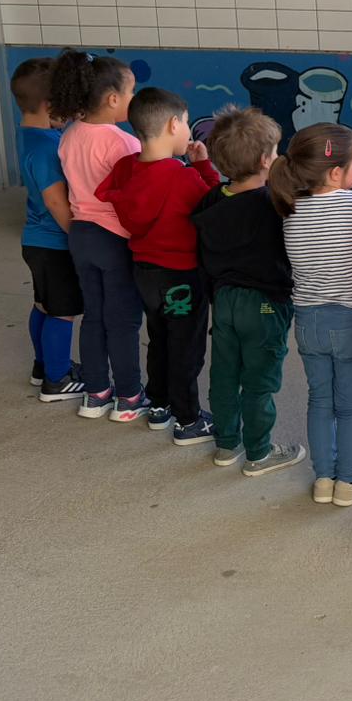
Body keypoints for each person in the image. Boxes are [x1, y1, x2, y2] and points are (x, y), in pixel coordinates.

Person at [97, 88, 222, 444]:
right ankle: (188, 419)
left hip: (145, 273)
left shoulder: (126, 168)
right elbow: (211, 205)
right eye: (185, 123)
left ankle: (159, 404)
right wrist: (202, 165)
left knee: (160, 338)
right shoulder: (182, 177)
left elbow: (114, 190)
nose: (187, 131)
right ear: (172, 124)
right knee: (186, 347)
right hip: (181, 276)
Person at [271, 124, 352, 507]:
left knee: (320, 400)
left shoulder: (291, 208)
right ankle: (348, 482)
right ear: (336, 173)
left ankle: (323, 479)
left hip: (309, 319)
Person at [192, 106, 305, 476]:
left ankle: (226, 445)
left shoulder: (213, 200)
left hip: (223, 301)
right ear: (263, 161)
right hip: (264, 305)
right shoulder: (273, 204)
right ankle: (259, 452)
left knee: (224, 373)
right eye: (274, 153)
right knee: (258, 382)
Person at [50, 50, 148, 423]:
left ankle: (96, 391)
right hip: (114, 238)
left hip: (81, 234)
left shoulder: (71, 134)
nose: (133, 100)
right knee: (122, 319)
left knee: (93, 314)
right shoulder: (123, 143)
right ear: (112, 99)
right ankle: (128, 396)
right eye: (131, 92)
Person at [10, 58, 86, 403]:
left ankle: (43, 365)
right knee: (62, 310)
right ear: (50, 105)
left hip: (35, 240)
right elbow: (56, 202)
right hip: (55, 242)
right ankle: (56, 380)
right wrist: (79, 236)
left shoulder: (30, 135)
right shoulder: (47, 148)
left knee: (43, 305)